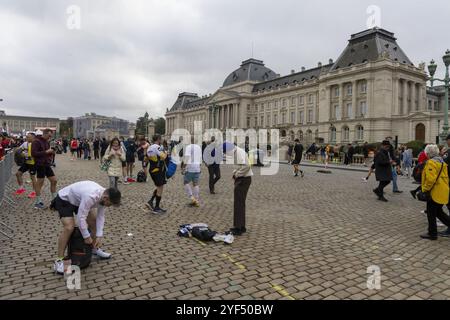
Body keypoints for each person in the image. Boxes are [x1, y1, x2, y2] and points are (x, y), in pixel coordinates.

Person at [51, 181, 121, 274]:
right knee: (69, 227)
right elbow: (81, 219)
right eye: (110, 204)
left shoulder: (103, 197)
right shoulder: (91, 196)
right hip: (65, 200)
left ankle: (94, 249)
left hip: (79, 200)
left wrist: (99, 235)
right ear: (106, 198)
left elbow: (100, 217)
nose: (110, 206)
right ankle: (59, 261)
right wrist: (86, 236)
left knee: (94, 222)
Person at [419, 144, 450, 240]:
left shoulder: (431, 163)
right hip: (443, 190)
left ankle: (432, 234)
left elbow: (430, 179)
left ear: (428, 153)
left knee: (431, 213)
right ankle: (433, 232)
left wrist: (425, 189)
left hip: (434, 192)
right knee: (439, 212)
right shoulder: (442, 162)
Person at [224, 142, 253, 236]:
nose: (225, 154)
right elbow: (239, 166)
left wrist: (237, 174)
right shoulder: (236, 152)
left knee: (238, 203)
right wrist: (235, 173)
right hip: (242, 178)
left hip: (243, 179)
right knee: (239, 203)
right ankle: (241, 226)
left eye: (225, 152)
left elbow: (247, 166)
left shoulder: (239, 152)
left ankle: (238, 228)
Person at [31, 129, 57, 209]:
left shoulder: (46, 142)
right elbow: (34, 153)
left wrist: (51, 153)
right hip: (39, 164)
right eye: (49, 136)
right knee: (40, 183)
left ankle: (54, 201)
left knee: (54, 181)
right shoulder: (36, 141)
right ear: (44, 134)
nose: (50, 137)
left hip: (46, 164)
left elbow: (46, 153)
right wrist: (46, 152)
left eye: (51, 136)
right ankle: (38, 202)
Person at [145, 134, 168, 214]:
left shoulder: (149, 147)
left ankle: (151, 201)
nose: (161, 140)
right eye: (161, 139)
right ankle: (156, 207)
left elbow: (146, 158)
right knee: (160, 188)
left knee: (159, 187)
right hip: (158, 170)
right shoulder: (158, 147)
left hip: (152, 169)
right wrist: (166, 152)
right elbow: (164, 157)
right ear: (158, 139)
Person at [15, 132, 37, 198]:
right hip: (26, 162)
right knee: (18, 174)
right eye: (26, 137)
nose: (26, 138)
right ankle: (21, 188)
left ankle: (34, 192)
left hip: (33, 163)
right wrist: (21, 153)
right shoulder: (25, 143)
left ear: (33, 137)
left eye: (28, 137)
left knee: (32, 177)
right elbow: (18, 150)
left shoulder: (36, 144)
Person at [182, 138, 202, 207]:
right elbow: (200, 158)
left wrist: (183, 167)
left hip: (190, 167)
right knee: (195, 183)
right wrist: (199, 166)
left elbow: (187, 158)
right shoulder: (199, 147)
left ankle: (191, 197)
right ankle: (196, 200)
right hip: (197, 167)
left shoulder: (189, 147)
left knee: (186, 182)